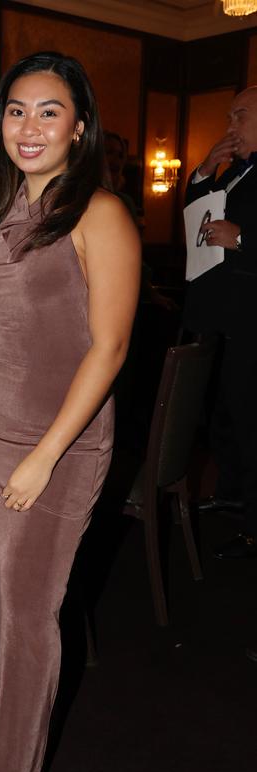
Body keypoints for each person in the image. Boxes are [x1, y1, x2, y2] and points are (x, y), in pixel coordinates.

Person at [0, 52, 140, 772]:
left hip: (56, 448)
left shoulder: (97, 212)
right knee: (7, 598)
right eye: (17, 111)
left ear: (80, 126)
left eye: (50, 112)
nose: (29, 127)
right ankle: (14, 724)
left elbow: (110, 349)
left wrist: (41, 457)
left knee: (29, 616)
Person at [182, 86, 257, 559]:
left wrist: (244, 238)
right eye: (230, 116)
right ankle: (232, 491)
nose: (230, 125)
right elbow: (197, 215)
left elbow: (237, 234)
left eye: (241, 115)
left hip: (252, 322)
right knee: (225, 416)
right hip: (223, 317)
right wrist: (206, 170)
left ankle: (254, 529)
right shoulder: (237, 172)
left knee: (251, 424)